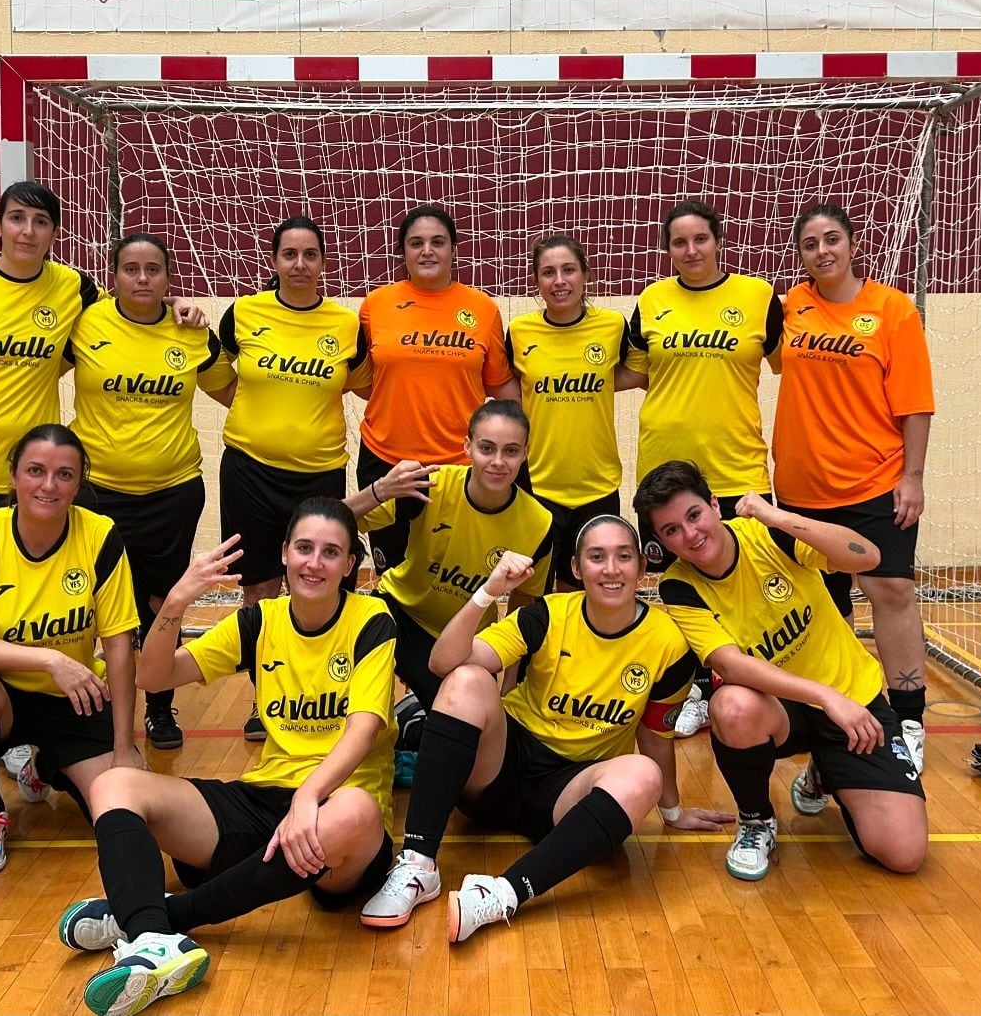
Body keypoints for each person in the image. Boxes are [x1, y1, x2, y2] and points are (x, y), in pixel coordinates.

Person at [0, 182, 202, 796]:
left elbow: (127, 323)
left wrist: (183, 310)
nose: (26, 232)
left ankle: (20, 735)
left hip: (34, 480)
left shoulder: (73, 291)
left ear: (54, 234)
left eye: (39, 222)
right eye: (16, 219)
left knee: (36, 606)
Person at [56, 498, 397, 1016]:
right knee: (113, 784)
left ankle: (160, 918)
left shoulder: (371, 619)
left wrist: (310, 795)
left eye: (331, 553)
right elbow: (155, 678)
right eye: (304, 548)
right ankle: (151, 941)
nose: (314, 563)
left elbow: (364, 728)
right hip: (263, 802)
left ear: (351, 565)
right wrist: (174, 604)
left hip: (337, 817)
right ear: (283, 554)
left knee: (353, 812)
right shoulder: (259, 620)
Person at [358, 515, 736, 941]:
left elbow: (655, 735)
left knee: (642, 773)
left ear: (640, 567)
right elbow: (441, 663)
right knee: (466, 680)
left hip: (567, 794)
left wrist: (671, 809)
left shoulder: (668, 642)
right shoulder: (547, 614)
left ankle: (501, 894)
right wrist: (489, 591)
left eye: (623, 556)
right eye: (596, 557)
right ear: (576, 569)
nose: (611, 569)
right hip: (498, 769)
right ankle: (418, 863)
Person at [634, 460, 927, 882]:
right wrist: (824, 697)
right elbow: (728, 663)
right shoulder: (679, 586)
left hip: (853, 699)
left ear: (716, 505)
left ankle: (825, 774)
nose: (690, 535)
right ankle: (756, 822)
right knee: (731, 705)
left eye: (694, 515)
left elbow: (868, 556)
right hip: (786, 712)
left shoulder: (768, 534)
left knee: (904, 853)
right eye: (672, 530)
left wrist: (779, 516)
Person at [0, 424, 141, 876]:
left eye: (65, 474)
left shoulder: (100, 535)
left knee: (123, 808)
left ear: (79, 482)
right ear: (13, 476)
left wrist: (125, 746)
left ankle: (44, 766)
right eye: (35, 471)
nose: (49, 485)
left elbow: (120, 647)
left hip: (74, 700)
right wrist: (50, 659)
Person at [773, 202, 936, 769]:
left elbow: (915, 405)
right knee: (826, 610)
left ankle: (909, 719)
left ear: (851, 244)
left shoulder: (892, 311)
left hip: (874, 483)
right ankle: (839, 726)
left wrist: (912, 477)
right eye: (811, 243)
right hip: (801, 491)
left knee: (891, 594)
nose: (823, 251)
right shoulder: (790, 306)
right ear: (801, 256)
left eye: (832, 239)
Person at [70, 233, 234, 751]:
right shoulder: (86, 322)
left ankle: (160, 706)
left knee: (165, 604)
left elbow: (232, 391)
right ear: (113, 275)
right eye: (131, 269)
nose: (142, 279)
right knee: (97, 604)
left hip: (173, 492)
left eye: (153, 270)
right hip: (97, 493)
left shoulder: (191, 334)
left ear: (168, 279)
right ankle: (88, 712)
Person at [216, 216, 369, 740]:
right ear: (274, 261)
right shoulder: (242, 315)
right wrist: (255, 417)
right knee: (259, 585)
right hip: (248, 471)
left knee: (324, 583)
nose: (299, 265)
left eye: (310, 255)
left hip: (319, 474)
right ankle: (267, 702)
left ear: (324, 263)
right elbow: (218, 375)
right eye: (289, 255)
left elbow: (371, 386)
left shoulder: (347, 326)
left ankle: (331, 698)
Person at [351, 399, 554, 709]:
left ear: (526, 453)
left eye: (511, 451)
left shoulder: (540, 524)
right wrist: (380, 489)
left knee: (463, 717)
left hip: (463, 641)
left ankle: (414, 710)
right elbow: (326, 522)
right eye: (487, 448)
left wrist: (509, 685)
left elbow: (522, 606)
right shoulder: (432, 485)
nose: (498, 461)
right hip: (399, 612)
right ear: (467, 446)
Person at [355, 204, 515, 573]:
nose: (427, 251)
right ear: (403, 252)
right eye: (416, 243)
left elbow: (499, 386)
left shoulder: (482, 308)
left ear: (454, 250)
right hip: (385, 461)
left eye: (438, 242)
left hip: (458, 467)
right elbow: (365, 382)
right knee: (392, 574)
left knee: (454, 576)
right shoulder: (375, 306)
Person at [623, 199, 782, 568]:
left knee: (750, 580)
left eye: (700, 239)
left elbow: (790, 366)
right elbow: (637, 374)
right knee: (677, 587)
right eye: (679, 243)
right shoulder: (651, 299)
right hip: (663, 469)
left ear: (718, 241)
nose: (691, 250)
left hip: (737, 469)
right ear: (668, 250)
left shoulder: (759, 297)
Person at [505, 234, 634, 589]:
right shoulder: (519, 331)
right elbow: (506, 386)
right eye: (548, 272)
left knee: (586, 588)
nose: (559, 281)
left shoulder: (612, 326)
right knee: (529, 588)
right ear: (536, 281)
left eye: (568, 270)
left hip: (597, 484)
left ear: (586, 275)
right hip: (538, 486)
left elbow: (636, 373)